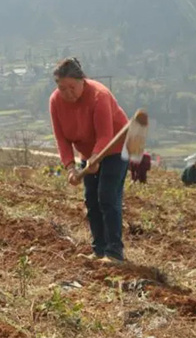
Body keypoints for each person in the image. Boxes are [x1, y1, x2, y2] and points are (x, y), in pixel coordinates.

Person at [49, 57, 129, 263]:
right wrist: (70, 168)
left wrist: (96, 158)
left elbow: (105, 135)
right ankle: (99, 250)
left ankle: (114, 252)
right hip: (88, 153)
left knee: (107, 196)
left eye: (72, 87)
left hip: (116, 147)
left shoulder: (99, 96)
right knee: (91, 199)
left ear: (82, 80)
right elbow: (62, 138)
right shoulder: (55, 102)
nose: (67, 93)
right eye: (62, 88)